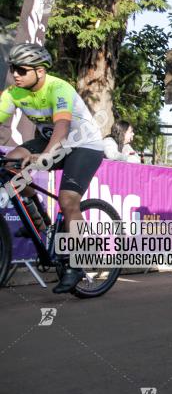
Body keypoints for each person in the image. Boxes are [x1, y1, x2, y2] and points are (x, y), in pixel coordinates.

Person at [1, 43, 105, 293]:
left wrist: (43, 157)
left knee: (68, 200)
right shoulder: (14, 92)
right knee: (12, 164)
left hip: (83, 144)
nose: (15, 74)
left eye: (21, 69)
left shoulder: (58, 88)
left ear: (40, 71)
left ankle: (76, 264)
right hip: (50, 140)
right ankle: (39, 221)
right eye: (13, 68)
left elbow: (61, 129)